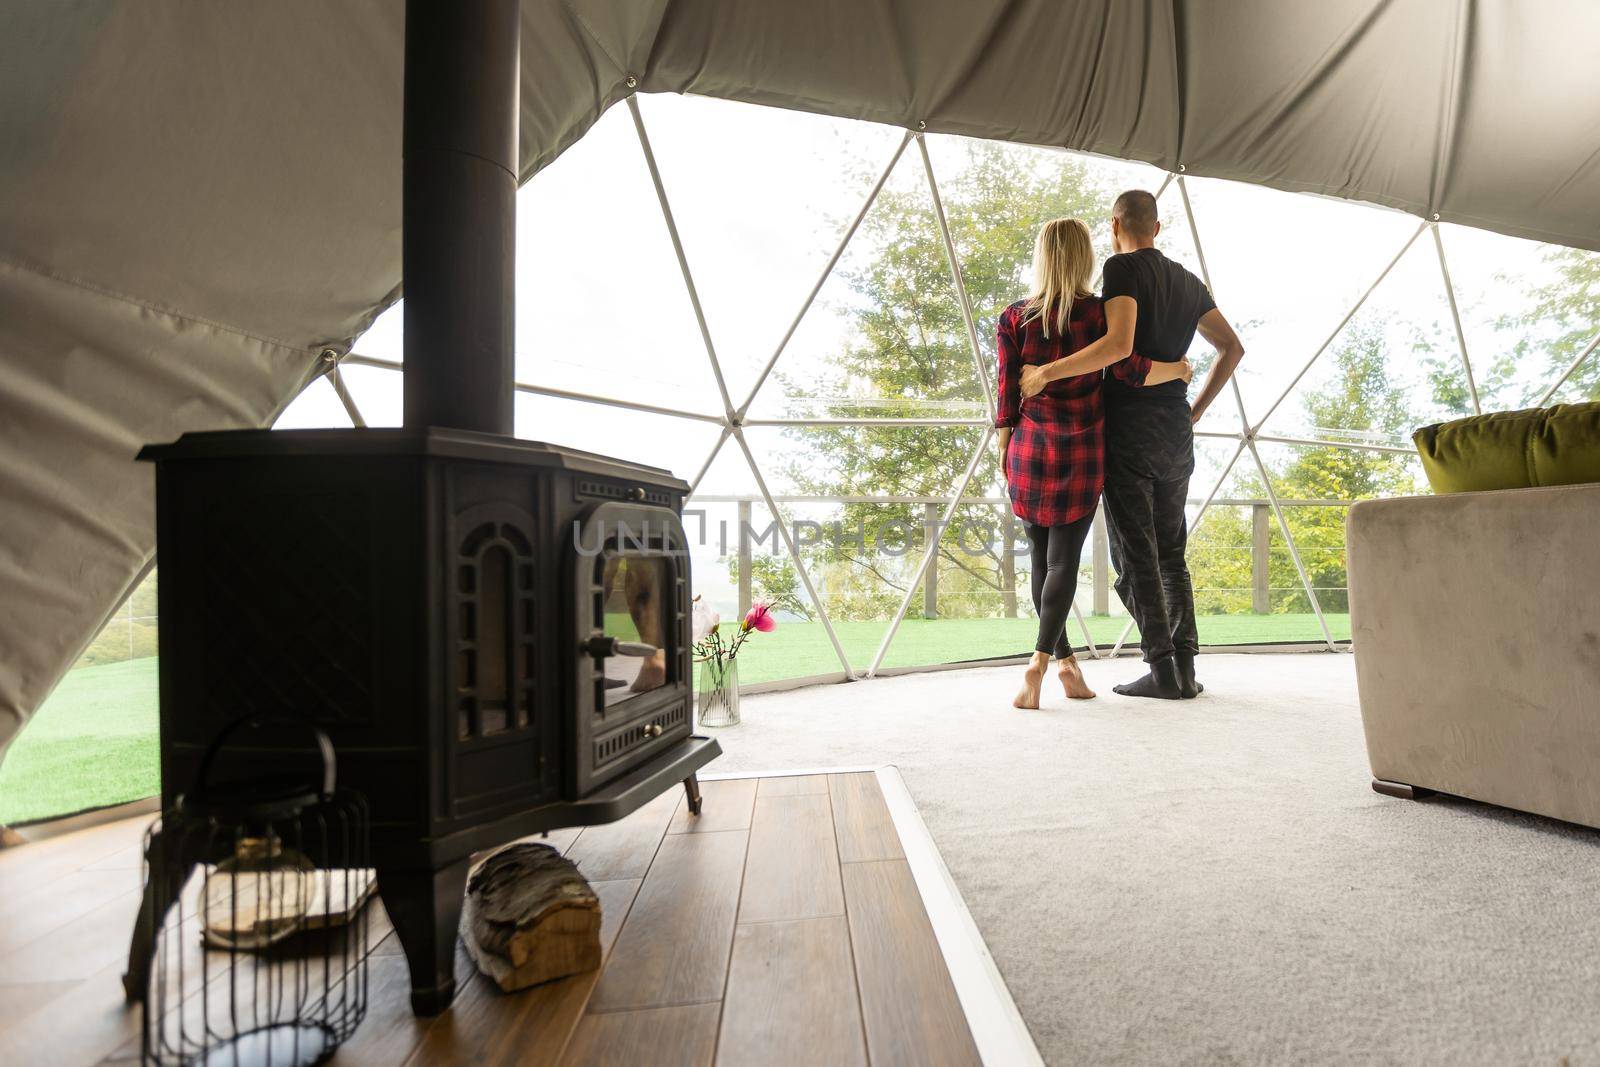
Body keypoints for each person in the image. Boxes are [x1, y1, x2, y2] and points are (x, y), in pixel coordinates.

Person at [1020, 190, 1245, 700]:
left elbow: (1120, 348)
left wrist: (1046, 374)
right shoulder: (1189, 282)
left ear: (1115, 223)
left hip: (1128, 430)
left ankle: (1162, 670)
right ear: (1158, 228)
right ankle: (1185, 669)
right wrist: (1197, 408)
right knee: (1173, 553)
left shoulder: (1121, 269)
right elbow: (1232, 347)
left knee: (1137, 556)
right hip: (1174, 431)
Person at [996, 217, 1192, 709]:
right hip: (1082, 451)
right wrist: (1179, 369)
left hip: (1029, 451)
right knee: (1064, 561)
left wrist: (1005, 449)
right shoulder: (1096, 314)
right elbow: (1129, 368)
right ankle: (1043, 663)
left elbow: (1005, 394)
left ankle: (1064, 666)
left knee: (1041, 560)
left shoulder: (1013, 317)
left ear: (1041, 256)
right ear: (1085, 256)